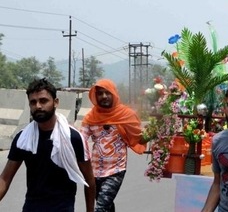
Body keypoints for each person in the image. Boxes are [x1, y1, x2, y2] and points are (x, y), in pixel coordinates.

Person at [0, 78, 95, 211]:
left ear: (56, 102)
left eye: (43, 101)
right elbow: (4, 179)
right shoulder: (23, 139)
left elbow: (89, 180)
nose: (38, 106)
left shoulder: (73, 138)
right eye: (33, 102)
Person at [80, 79, 147, 212]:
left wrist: (157, 132)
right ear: (95, 96)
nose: (104, 96)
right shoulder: (90, 117)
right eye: (100, 93)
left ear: (114, 94)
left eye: (107, 93)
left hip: (116, 170)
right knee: (107, 206)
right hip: (94, 171)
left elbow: (139, 136)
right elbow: (81, 139)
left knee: (101, 206)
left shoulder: (126, 115)